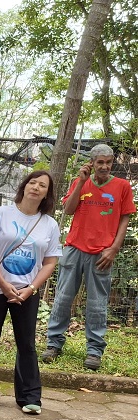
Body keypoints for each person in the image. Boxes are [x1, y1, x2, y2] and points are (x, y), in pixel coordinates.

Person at [0, 171, 62, 414]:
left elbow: (51, 261)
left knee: (27, 343)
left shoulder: (49, 224)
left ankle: (30, 397)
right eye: (33, 182)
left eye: (43, 185)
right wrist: (2, 284)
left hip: (27, 291)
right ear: (24, 186)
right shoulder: (2, 213)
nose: (36, 187)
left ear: (46, 194)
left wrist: (31, 288)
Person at [42, 144, 135, 370]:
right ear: (92, 163)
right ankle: (54, 344)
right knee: (63, 298)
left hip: (103, 252)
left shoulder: (122, 186)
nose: (104, 166)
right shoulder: (79, 182)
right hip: (74, 248)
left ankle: (94, 351)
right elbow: (69, 210)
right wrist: (81, 182)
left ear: (112, 163)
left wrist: (114, 248)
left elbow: (125, 218)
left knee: (97, 304)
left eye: (108, 162)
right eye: (99, 162)